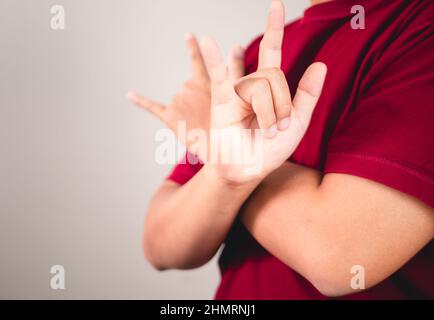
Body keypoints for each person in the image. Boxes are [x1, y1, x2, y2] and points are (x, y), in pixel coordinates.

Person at [128, 0, 434, 299]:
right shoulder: (259, 55)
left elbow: (339, 257)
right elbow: (159, 244)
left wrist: (219, 150)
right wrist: (226, 174)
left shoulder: (421, 26)